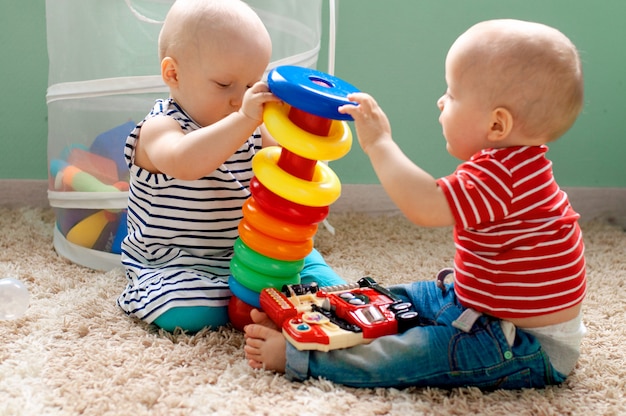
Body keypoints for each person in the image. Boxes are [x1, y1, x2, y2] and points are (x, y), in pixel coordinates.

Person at [243, 19, 587, 390]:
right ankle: (309, 321)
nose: (441, 101)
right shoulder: (512, 167)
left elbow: (425, 206)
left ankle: (302, 357)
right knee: (386, 300)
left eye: (452, 95)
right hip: (472, 302)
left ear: (498, 125)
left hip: (518, 342)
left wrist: (379, 143)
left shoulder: (502, 178)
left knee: (413, 353)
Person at [117, 0, 345, 333]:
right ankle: (259, 299)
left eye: (252, 86)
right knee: (180, 310)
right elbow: (186, 162)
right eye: (225, 85)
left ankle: (267, 293)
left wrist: (305, 131)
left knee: (322, 281)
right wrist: (243, 119)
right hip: (176, 264)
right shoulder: (160, 128)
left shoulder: (250, 123)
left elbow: (290, 167)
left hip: (250, 251)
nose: (240, 99)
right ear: (173, 73)